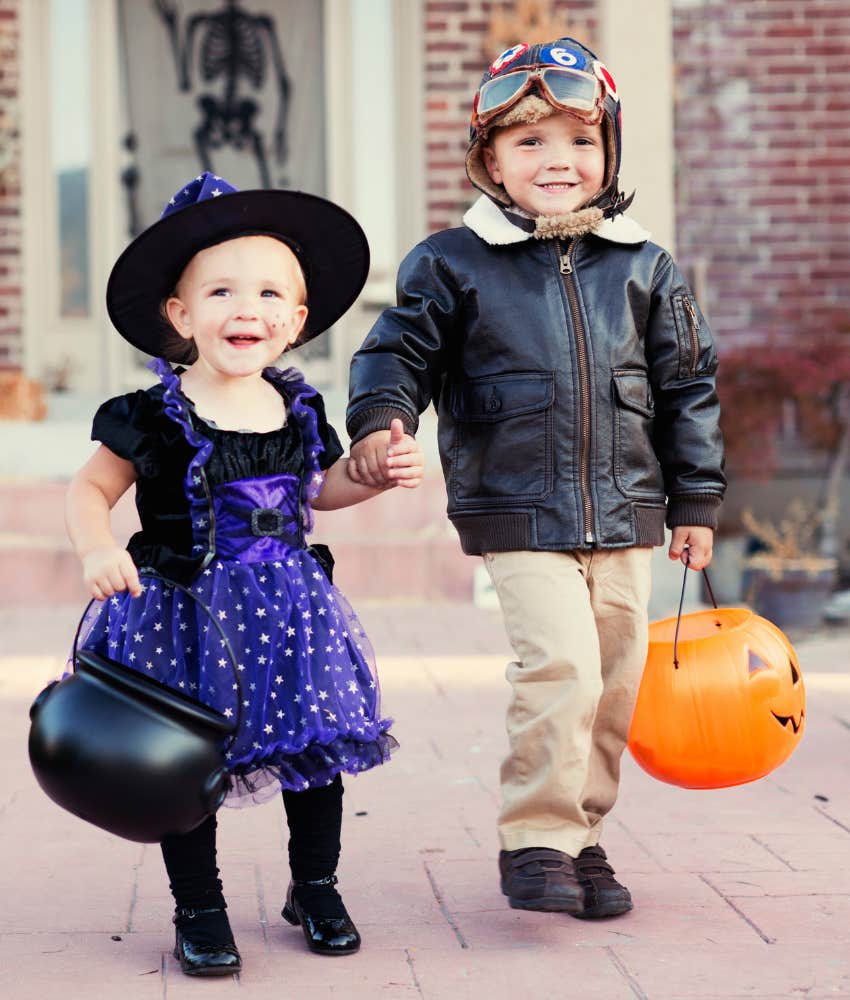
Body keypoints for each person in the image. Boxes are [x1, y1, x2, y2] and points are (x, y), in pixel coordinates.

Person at [346, 37, 725, 919]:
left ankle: (585, 836)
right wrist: (380, 420)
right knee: (561, 666)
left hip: (630, 508)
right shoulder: (453, 262)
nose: (559, 161)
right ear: (488, 161)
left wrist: (697, 494)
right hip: (519, 504)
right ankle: (537, 839)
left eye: (580, 143)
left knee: (614, 681)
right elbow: (396, 350)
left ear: (610, 155)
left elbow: (688, 384)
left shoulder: (645, 265)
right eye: (530, 143)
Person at [65, 172, 424, 974]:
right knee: (187, 762)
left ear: (295, 321)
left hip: (292, 608)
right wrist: (98, 546)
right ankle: (200, 907)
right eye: (221, 291)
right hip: (184, 611)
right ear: (181, 315)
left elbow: (319, 493)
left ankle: (316, 885)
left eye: (268, 293)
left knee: (319, 746)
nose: (246, 309)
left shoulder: (297, 410)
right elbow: (92, 488)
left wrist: (365, 472)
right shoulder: (152, 414)